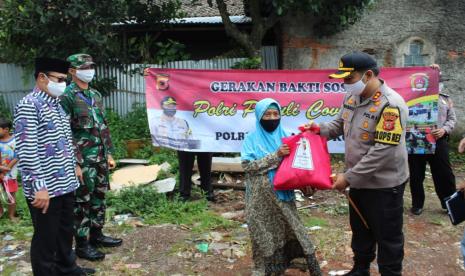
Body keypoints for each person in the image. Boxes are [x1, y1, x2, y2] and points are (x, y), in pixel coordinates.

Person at [305, 52, 409, 276]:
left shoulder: (391, 105)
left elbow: (384, 150)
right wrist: (318, 129)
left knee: (387, 234)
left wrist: (348, 177)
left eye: (349, 79)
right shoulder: (352, 98)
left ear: (368, 75)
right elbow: (337, 123)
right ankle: (360, 269)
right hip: (358, 179)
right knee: (361, 229)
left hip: (384, 184)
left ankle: (391, 273)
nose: (344, 84)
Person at [14, 57, 94, 275]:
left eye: (65, 80)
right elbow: (27, 150)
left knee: (64, 231)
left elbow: (66, 140)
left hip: (65, 182)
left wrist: (75, 165)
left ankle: (67, 268)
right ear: (42, 78)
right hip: (46, 188)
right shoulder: (29, 106)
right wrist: (39, 187)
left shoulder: (57, 106)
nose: (63, 85)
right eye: (59, 79)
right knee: (45, 238)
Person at [241, 98, 321, 276]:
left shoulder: (289, 138)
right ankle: (266, 269)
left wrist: (306, 186)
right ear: (259, 117)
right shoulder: (251, 140)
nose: (272, 118)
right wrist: (276, 155)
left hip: (283, 197)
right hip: (259, 200)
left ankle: (296, 262)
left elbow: (297, 169)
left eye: (275, 114)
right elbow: (248, 167)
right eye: (267, 114)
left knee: (293, 230)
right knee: (264, 235)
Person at [60, 53, 121, 262]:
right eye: (84, 67)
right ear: (72, 71)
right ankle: (83, 244)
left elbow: (103, 126)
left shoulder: (95, 94)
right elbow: (65, 132)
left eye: (91, 66)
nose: (89, 70)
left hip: (100, 157)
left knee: (99, 198)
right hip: (83, 160)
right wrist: (75, 162)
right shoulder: (67, 96)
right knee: (82, 202)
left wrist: (109, 152)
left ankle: (97, 235)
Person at [408, 64, 457, 215]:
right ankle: (417, 204)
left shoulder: (445, 99)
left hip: (439, 141)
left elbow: (452, 119)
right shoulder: (412, 97)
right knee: (416, 175)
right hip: (416, 140)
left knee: (444, 174)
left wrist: (444, 130)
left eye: (439, 80)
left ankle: (449, 205)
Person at [150, 96, 214, 202]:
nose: (171, 108)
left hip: (203, 137)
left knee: (206, 167)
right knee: (185, 168)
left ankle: (207, 192)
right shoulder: (157, 121)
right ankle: (184, 194)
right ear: (162, 106)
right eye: (168, 105)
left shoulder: (182, 121)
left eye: (173, 105)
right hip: (184, 144)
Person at [0, 117, 19, 220]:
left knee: (11, 194)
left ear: (6, 129)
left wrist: (7, 168)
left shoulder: (16, 140)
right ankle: (1, 211)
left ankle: (11, 215)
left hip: (10, 173)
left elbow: (18, 155)